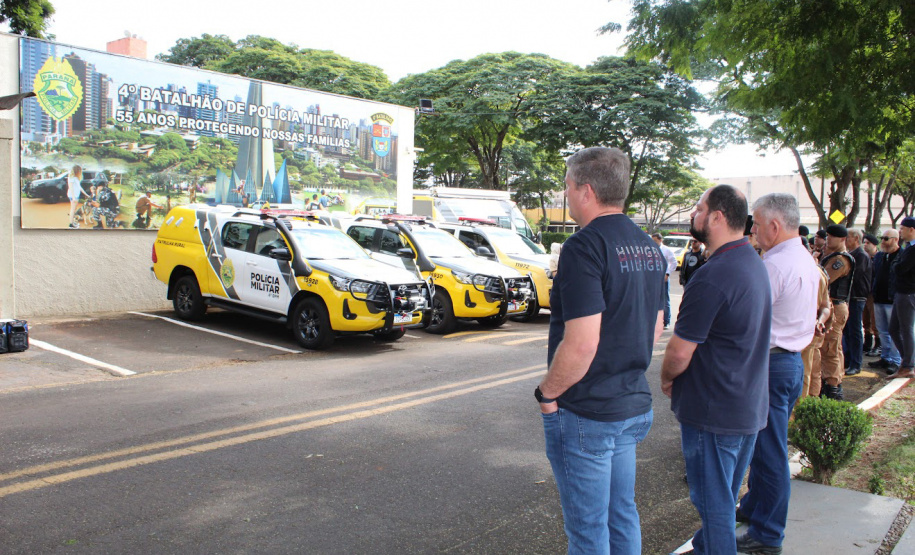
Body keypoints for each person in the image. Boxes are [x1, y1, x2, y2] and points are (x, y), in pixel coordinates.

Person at [537, 147, 665, 555]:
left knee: (588, 529)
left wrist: (547, 394)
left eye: (568, 186)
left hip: (588, 410)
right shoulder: (649, 247)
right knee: (621, 513)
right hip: (631, 402)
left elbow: (582, 343)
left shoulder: (583, 247)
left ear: (587, 191)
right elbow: (656, 325)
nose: (566, 194)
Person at [661, 184, 771, 555]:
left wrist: (667, 378)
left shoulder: (713, 275)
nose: (693, 215)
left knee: (714, 505)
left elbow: (679, 352)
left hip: (715, 411)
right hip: (744, 405)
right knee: (722, 497)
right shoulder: (752, 262)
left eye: (698, 209)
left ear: (717, 217)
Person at [736, 194, 820, 555]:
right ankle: (754, 508)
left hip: (771, 363)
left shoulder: (774, 265)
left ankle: (767, 534)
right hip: (788, 361)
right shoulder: (802, 257)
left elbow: (746, 318)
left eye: (756, 223)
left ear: (774, 225)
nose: (752, 230)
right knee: (765, 448)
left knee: (769, 454)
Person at [818, 225, 855, 399]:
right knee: (833, 347)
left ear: (842, 239)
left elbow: (823, 279)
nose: (828, 239)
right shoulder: (833, 256)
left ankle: (833, 385)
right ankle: (833, 382)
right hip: (833, 305)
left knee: (830, 348)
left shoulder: (840, 259)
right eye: (827, 236)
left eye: (831, 236)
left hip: (835, 306)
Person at [869, 229, 902, 374]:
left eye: (886, 238)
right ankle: (885, 357)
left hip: (892, 299)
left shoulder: (902, 255)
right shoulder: (879, 256)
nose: (883, 241)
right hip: (879, 298)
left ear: (895, 239)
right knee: (882, 330)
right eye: (882, 238)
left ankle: (895, 360)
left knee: (895, 331)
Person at [888, 217, 915, 379]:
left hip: (908, 293)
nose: (900, 231)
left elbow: (900, 268)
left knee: (906, 329)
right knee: (894, 328)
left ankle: (908, 365)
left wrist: (896, 264)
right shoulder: (908, 248)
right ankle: (907, 361)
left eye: (903, 228)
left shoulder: (912, 250)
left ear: (911, 229)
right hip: (902, 292)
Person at [842, 229, 872, 376]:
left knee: (854, 331)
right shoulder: (851, 254)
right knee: (847, 331)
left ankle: (856, 363)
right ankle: (848, 359)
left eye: (847, 237)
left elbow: (854, 275)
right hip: (849, 297)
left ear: (855, 238)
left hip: (857, 297)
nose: (845, 240)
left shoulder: (861, 255)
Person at [801, 265, 832, 398]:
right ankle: (809, 402)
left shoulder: (812, 272)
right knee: (810, 370)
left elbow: (825, 306)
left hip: (805, 330)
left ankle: (801, 406)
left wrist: (819, 321)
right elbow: (826, 307)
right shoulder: (817, 271)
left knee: (804, 372)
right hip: (809, 329)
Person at [651, 232, 677, 329]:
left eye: (655, 241)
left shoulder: (666, 250)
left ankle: (666, 321)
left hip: (663, 278)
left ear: (660, 240)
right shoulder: (650, 249)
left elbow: (673, 262)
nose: (653, 242)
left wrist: (667, 273)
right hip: (653, 277)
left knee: (665, 300)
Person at [862, 233, 881, 356]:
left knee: (875, 320)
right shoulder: (864, 257)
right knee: (865, 320)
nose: (865, 245)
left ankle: (878, 344)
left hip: (873, 293)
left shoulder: (879, 257)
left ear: (874, 245)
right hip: (864, 292)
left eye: (868, 243)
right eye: (864, 242)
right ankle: (867, 343)